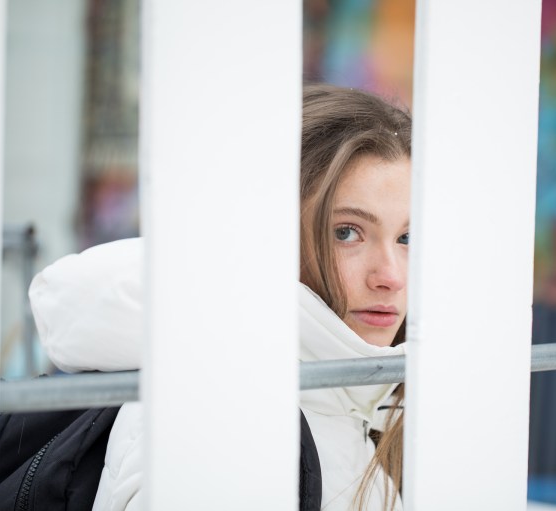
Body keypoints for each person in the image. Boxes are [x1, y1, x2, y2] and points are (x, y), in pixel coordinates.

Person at [25, 84, 411, 510]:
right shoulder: (217, 427)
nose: (390, 276)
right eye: (347, 233)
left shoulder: (357, 410)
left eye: (408, 237)